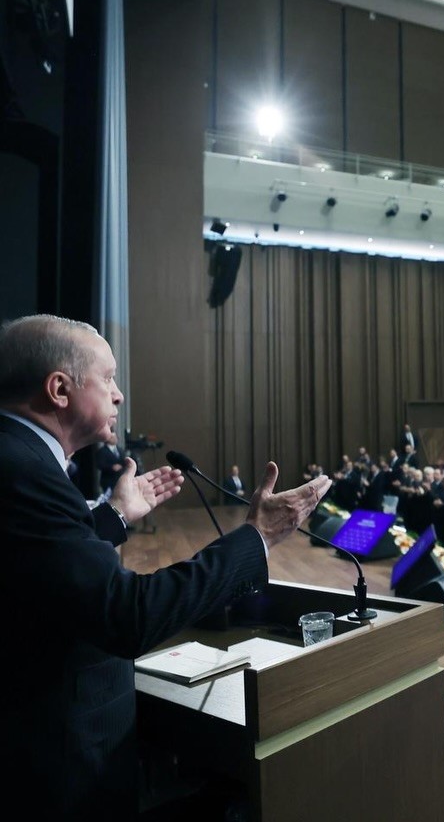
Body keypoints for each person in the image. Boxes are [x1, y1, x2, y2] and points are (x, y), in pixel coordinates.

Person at [0, 314, 332, 821]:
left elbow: (46, 567)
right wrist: (258, 538)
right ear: (60, 389)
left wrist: (112, 516)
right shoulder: (23, 469)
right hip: (56, 766)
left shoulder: (20, 457)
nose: (119, 395)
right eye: (107, 377)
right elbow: (127, 615)